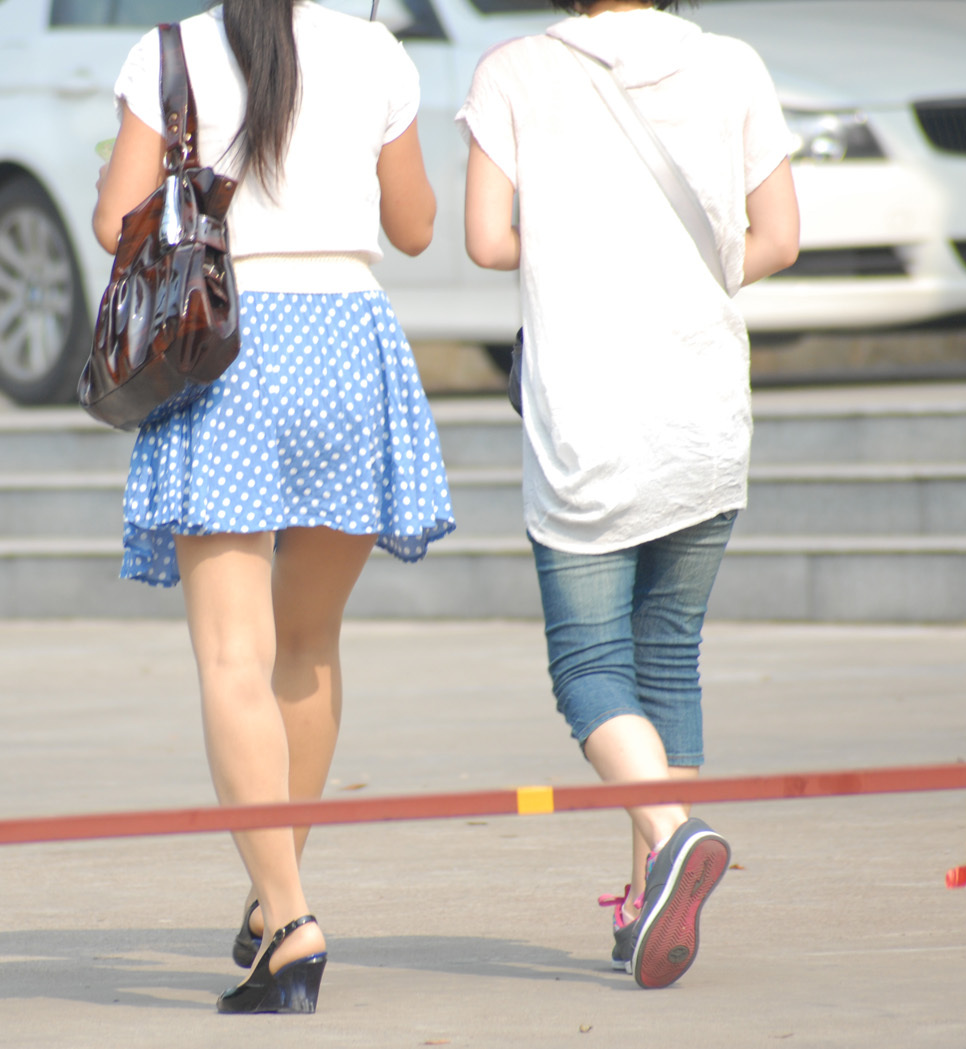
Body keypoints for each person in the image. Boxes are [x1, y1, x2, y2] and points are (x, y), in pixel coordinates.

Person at [92, 0, 455, 1015]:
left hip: (227, 342)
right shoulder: (376, 50)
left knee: (230, 656)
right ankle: (273, 893)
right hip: (347, 341)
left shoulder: (166, 52)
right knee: (309, 643)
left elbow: (115, 222)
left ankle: (290, 922)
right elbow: (415, 228)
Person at [458, 0, 800, 990]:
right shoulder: (731, 62)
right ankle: (651, 889)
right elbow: (776, 235)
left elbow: (486, 240)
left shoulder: (512, 68)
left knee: (588, 668)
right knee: (666, 659)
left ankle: (672, 831)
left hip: (587, 422)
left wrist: (574, 250)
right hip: (701, 410)